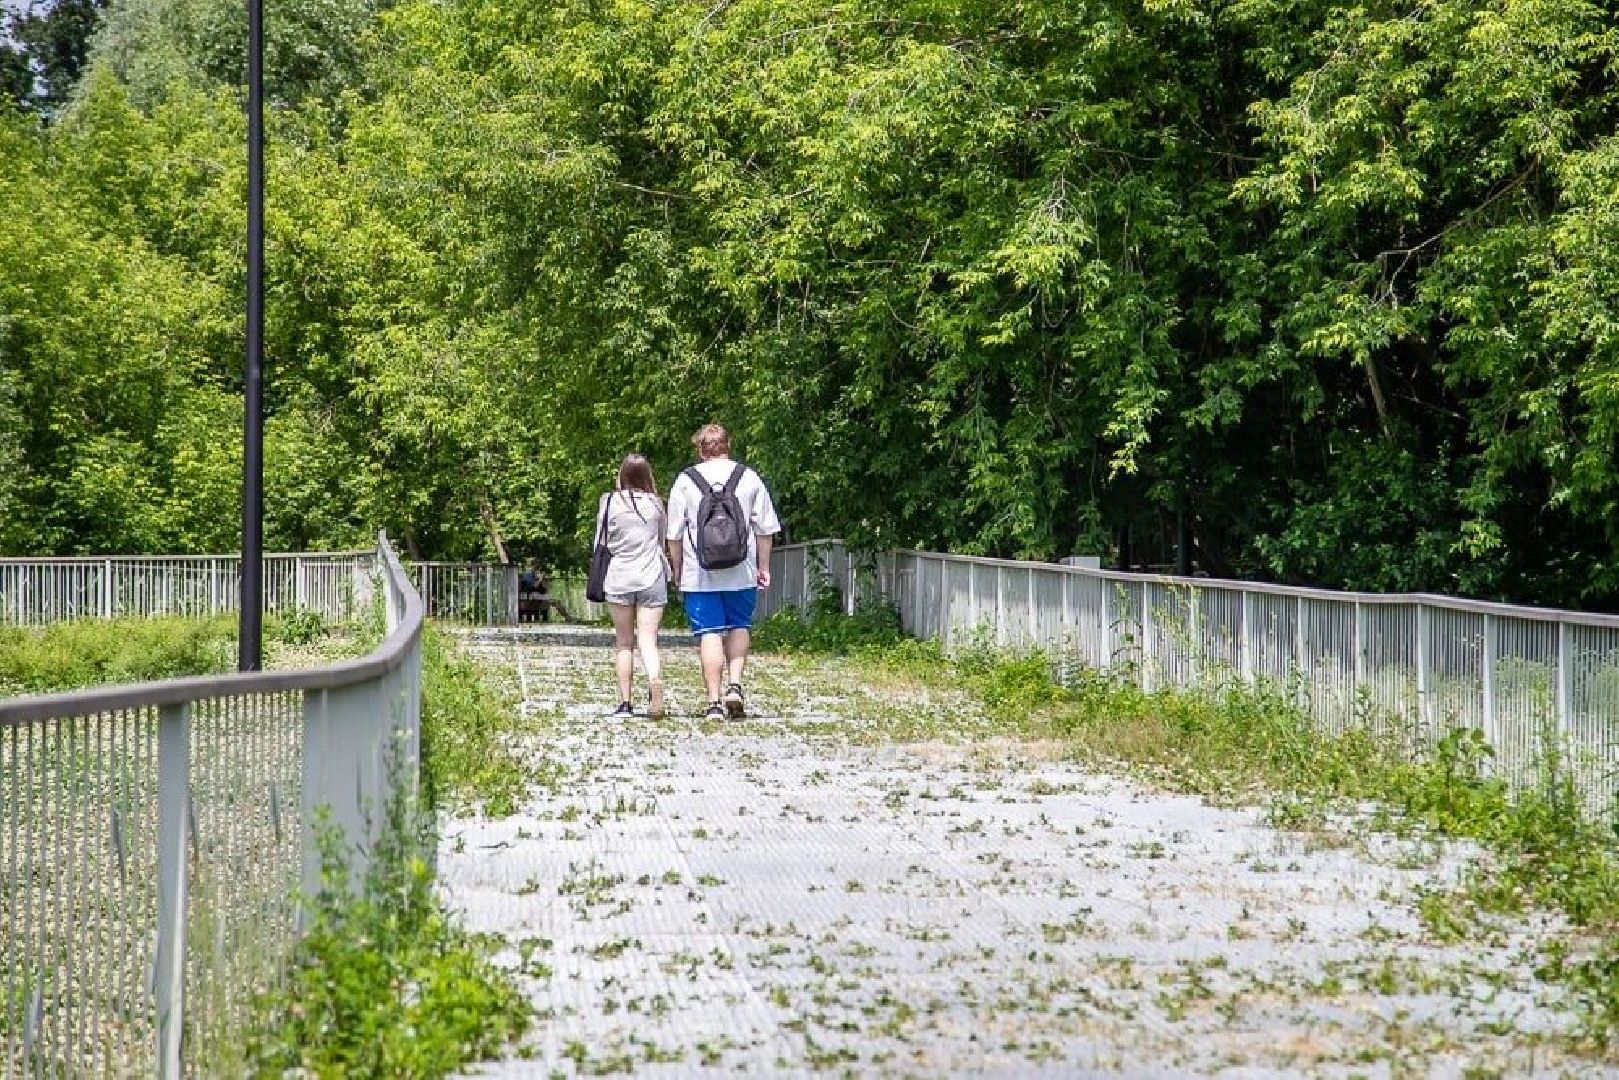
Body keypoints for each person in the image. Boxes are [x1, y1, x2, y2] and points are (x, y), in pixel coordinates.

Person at [665, 424, 780, 721]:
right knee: (739, 625)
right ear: (728, 445)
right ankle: (736, 685)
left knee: (710, 633)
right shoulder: (748, 476)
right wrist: (763, 566)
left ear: (700, 449)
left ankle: (714, 703)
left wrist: (677, 568)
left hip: (699, 572)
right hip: (741, 570)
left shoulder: (685, 481)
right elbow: (765, 528)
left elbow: (674, 533)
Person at [596, 454, 670, 717]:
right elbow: (662, 542)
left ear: (622, 475)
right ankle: (654, 680)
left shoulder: (609, 503)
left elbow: (601, 542)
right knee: (648, 639)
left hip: (620, 577)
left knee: (624, 644)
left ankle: (625, 703)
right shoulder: (657, 505)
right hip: (651, 575)